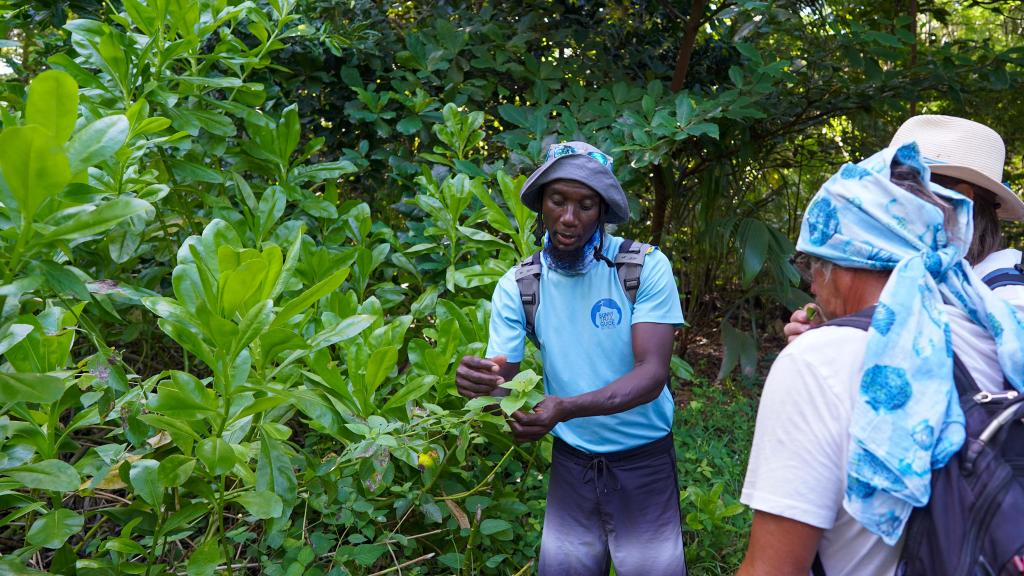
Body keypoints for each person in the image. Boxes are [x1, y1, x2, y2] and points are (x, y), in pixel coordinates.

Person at [737, 143, 1024, 576]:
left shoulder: (818, 362)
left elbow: (772, 569)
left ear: (848, 262)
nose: (812, 285)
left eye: (814, 263)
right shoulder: (996, 331)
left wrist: (821, 348)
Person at [455, 141, 687, 575]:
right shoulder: (521, 284)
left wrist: (565, 408)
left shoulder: (643, 268)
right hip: (572, 465)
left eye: (585, 205)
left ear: (601, 211)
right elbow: (503, 378)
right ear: (541, 203)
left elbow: (652, 375)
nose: (568, 217)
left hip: (644, 463)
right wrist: (480, 383)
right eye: (558, 200)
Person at [785, 115, 1024, 342]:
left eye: (901, 188)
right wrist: (834, 321)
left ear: (959, 198)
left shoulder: (1007, 293)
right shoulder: (922, 274)